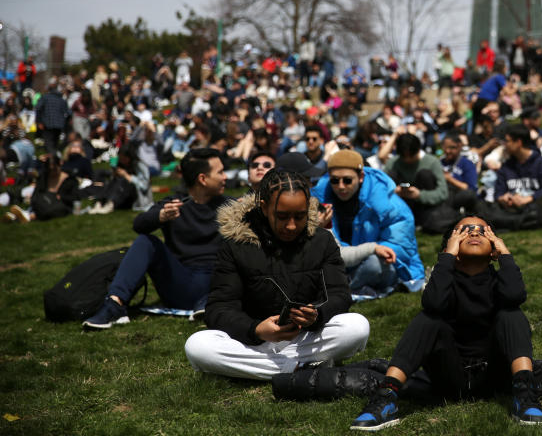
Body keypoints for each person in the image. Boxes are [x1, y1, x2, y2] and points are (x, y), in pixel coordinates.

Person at [349, 217, 542, 430]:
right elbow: (433, 303)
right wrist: (447, 258)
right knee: (428, 318)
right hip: (449, 376)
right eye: (463, 231)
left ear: (493, 249)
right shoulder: (444, 280)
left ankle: (525, 393)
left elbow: (514, 295)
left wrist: (505, 254)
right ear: (452, 247)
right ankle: (386, 397)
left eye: (482, 230)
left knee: (512, 314)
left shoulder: (500, 281)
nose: (474, 233)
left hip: (494, 375)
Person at [184, 168, 369, 380]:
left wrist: (317, 316)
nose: (291, 226)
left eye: (299, 216)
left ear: (307, 208)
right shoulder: (235, 245)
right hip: (253, 342)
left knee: (357, 326)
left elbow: (340, 295)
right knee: (198, 345)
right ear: (264, 208)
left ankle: (279, 368)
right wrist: (256, 329)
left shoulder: (322, 240)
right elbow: (219, 309)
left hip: (305, 339)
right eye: (282, 216)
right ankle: (299, 369)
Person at [82, 148, 231, 330]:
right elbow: (139, 224)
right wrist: (160, 216)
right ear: (202, 179)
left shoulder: (230, 206)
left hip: (218, 284)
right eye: (220, 172)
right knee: (146, 241)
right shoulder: (174, 204)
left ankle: (210, 303)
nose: (226, 177)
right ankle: (114, 304)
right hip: (180, 283)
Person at [311, 149, 425, 297]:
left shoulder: (390, 205)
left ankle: (345, 291)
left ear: (360, 177)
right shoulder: (319, 200)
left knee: (376, 264)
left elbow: (399, 248)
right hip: (344, 260)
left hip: (375, 261)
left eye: (347, 180)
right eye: (334, 180)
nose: (340, 186)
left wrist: (359, 253)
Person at [486, 125, 542, 230]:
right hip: (513, 206)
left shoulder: (541, 163)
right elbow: (498, 192)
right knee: (485, 207)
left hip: (533, 203)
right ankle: (526, 221)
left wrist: (528, 199)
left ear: (518, 143)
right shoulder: (506, 166)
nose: (505, 145)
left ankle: (517, 221)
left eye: (507, 141)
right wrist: (504, 198)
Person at [382, 132, 448, 232]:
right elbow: (380, 189)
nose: (408, 160)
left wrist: (419, 195)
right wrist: (393, 191)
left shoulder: (432, 162)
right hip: (399, 205)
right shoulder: (393, 163)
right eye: (404, 157)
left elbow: (443, 193)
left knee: (425, 174)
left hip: (425, 207)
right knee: (392, 175)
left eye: (411, 156)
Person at [34, 80, 70, 157]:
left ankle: (53, 157)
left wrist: (39, 121)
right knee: (55, 142)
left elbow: (38, 108)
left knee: (48, 142)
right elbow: (67, 112)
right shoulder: (62, 100)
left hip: (47, 123)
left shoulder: (44, 97)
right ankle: (55, 155)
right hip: (59, 125)